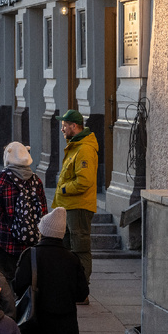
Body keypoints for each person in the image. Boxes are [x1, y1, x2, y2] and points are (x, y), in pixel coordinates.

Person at [0, 142, 48, 281]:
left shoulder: (1, 179)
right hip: (31, 242)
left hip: (5, 240)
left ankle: (10, 302)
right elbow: (43, 211)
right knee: (28, 280)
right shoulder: (36, 180)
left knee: (6, 280)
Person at [55, 108, 98, 292]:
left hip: (79, 207)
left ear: (74, 126)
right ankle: (70, 286)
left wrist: (64, 188)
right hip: (69, 206)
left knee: (80, 249)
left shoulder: (85, 149)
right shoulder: (75, 146)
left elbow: (84, 181)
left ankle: (81, 291)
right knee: (68, 249)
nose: (62, 129)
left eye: (64, 126)